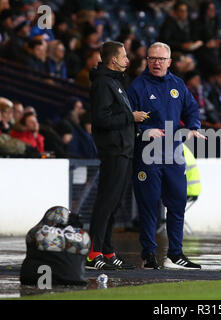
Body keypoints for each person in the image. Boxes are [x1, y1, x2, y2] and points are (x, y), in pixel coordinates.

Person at [126, 42, 205, 270]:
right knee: (149, 206)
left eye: (161, 59)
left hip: (173, 154)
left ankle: (176, 253)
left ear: (170, 62)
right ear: (147, 60)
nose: (156, 62)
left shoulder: (177, 85)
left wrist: (193, 127)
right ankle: (149, 254)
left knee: (178, 203)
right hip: (147, 155)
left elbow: (191, 109)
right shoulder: (137, 87)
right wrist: (142, 131)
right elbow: (125, 119)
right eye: (152, 58)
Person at [86, 41, 148, 270]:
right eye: (123, 56)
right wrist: (131, 118)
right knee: (106, 202)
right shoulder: (103, 84)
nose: (127, 60)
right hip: (114, 150)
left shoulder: (115, 82)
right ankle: (93, 253)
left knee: (114, 203)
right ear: (113, 59)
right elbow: (101, 119)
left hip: (124, 149)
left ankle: (107, 250)